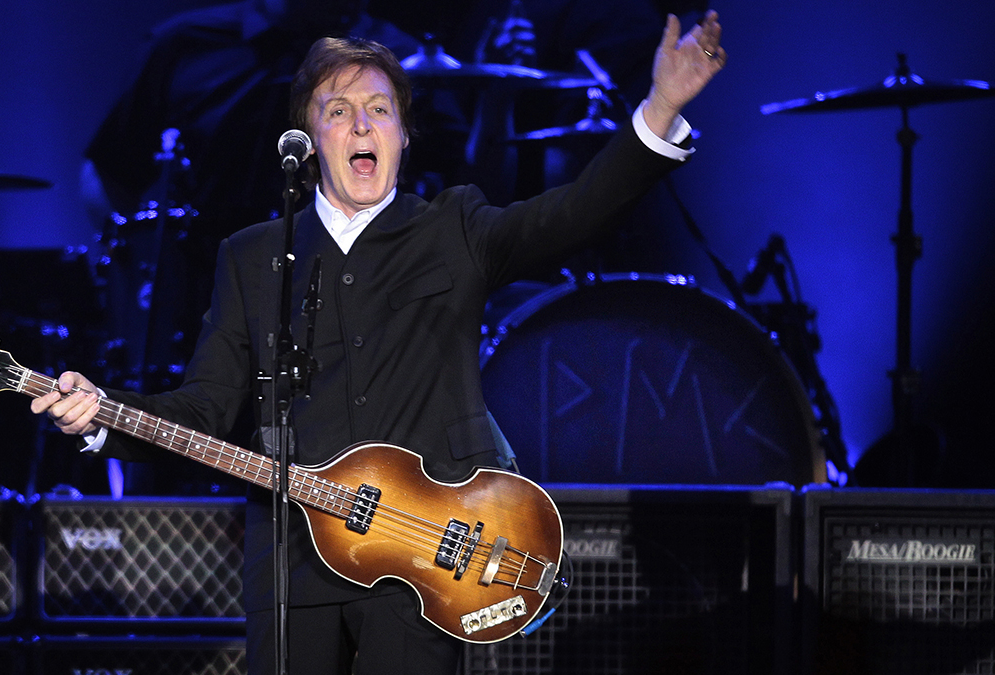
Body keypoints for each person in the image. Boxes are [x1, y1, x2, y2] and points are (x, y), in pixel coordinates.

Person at [35, 11, 725, 674]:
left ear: (402, 135)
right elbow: (204, 409)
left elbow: (573, 212)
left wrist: (660, 110)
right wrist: (101, 413)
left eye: (380, 109)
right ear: (308, 140)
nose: (361, 124)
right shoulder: (252, 257)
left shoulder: (454, 228)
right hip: (292, 562)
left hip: (426, 560)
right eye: (338, 110)